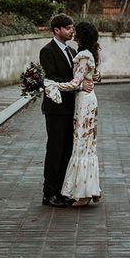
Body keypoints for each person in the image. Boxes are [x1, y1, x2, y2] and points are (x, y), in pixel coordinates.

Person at [39, 13, 94, 207]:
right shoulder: (47, 51)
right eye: (68, 28)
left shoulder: (72, 52)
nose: (72, 31)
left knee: (67, 151)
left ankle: (62, 191)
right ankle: (49, 194)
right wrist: (78, 86)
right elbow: (52, 79)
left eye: (72, 28)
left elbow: (78, 76)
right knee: (55, 150)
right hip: (55, 109)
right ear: (57, 30)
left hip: (72, 108)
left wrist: (92, 77)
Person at [56, 21, 102, 206]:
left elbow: (76, 82)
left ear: (82, 36)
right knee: (87, 143)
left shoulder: (83, 55)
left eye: (76, 31)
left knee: (82, 143)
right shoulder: (89, 53)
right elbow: (92, 75)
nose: (73, 32)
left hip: (84, 101)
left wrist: (50, 85)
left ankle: (84, 193)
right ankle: (91, 188)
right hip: (88, 99)